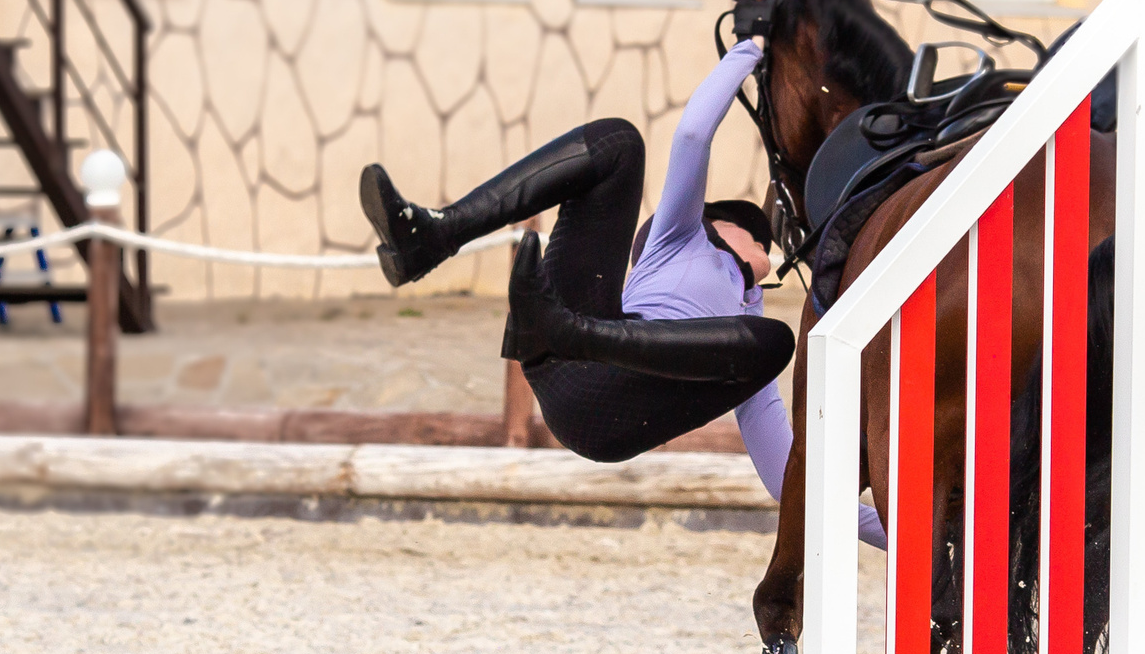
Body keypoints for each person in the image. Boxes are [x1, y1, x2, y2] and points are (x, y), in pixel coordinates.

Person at [359, 38, 883, 548]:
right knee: (619, 144)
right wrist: (753, 49)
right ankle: (431, 237)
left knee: (775, 342)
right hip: (567, 362)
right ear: (723, 227)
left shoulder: (747, 337)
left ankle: (568, 329)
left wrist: (901, 533)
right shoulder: (682, 235)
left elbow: (784, 481)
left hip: (611, 410)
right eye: (757, 235)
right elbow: (693, 136)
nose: (767, 249)